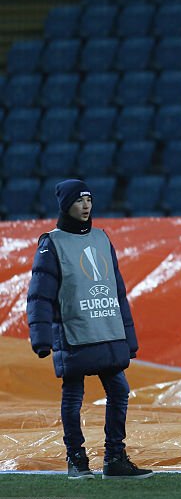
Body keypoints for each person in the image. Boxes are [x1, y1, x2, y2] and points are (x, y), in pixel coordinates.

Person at [26, 179, 153, 480]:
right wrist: (42, 338)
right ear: (66, 205)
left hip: (106, 329)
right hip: (73, 331)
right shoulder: (51, 243)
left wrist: (128, 339)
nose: (86, 206)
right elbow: (39, 293)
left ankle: (114, 458)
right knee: (74, 395)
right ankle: (76, 459)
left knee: (119, 390)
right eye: (79, 201)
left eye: (89, 200)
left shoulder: (101, 238)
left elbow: (116, 292)